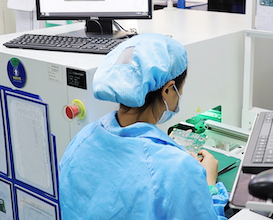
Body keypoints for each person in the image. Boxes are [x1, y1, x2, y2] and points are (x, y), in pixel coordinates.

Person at [59, 33, 229, 219]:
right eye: (180, 88)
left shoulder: (83, 138)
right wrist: (209, 185)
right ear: (167, 89)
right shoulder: (178, 169)